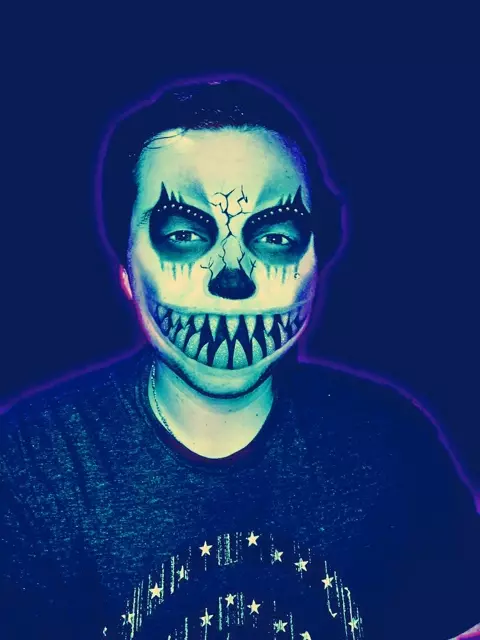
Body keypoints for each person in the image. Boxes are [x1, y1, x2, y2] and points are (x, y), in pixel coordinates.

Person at [1, 76, 478, 640]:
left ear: (315, 267)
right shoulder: (32, 463)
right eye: (183, 233)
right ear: (126, 272)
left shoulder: (391, 443)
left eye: (275, 237)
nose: (233, 280)